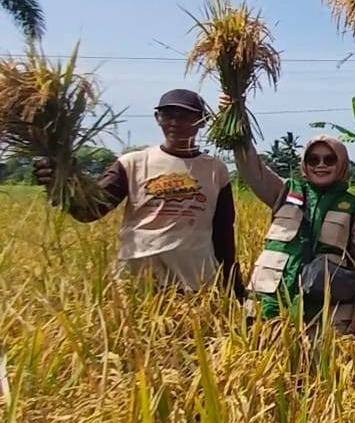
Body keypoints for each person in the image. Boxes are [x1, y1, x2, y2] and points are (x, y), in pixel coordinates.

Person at [34, 89, 241, 295]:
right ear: (157, 118)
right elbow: (90, 210)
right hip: (138, 280)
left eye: (186, 116)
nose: (175, 123)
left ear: (203, 121)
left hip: (195, 281)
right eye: (168, 115)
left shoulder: (215, 169)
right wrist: (60, 182)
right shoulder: (132, 163)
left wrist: (234, 284)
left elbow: (223, 232)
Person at [222, 96, 355, 337]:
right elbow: (252, 168)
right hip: (272, 299)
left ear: (342, 164)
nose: (320, 165)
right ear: (304, 164)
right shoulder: (284, 191)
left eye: (329, 159)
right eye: (313, 159)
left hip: (325, 307)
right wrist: (235, 115)